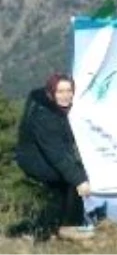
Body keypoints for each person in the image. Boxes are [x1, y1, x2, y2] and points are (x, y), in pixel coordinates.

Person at [16, 74, 94, 241]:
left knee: (63, 185)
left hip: (41, 154)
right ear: (51, 93)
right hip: (33, 159)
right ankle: (69, 227)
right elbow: (56, 154)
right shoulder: (45, 116)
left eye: (69, 90)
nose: (65, 95)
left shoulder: (56, 107)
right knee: (69, 179)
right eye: (60, 91)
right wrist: (79, 179)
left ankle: (43, 230)